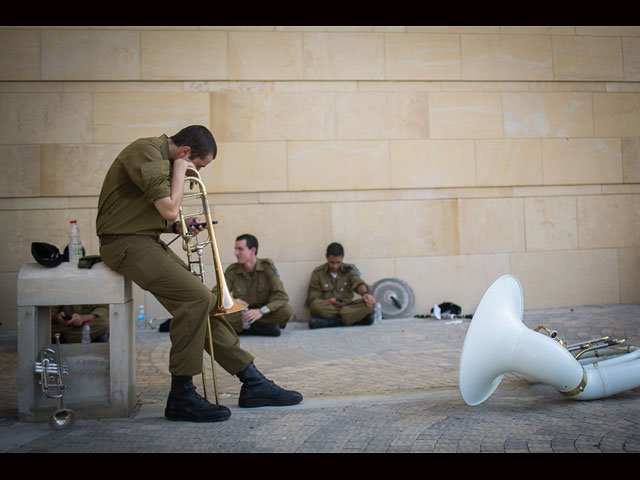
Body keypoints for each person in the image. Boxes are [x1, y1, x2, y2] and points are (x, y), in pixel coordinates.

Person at [96, 125, 302, 423]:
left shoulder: (158, 157)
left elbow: (153, 216)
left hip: (142, 240)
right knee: (196, 299)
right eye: (199, 166)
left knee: (204, 303)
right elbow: (168, 208)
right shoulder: (146, 152)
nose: (198, 173)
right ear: (185, 152)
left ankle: (252, 381)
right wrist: (180, 170)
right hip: (126, 244)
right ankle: (181, 395)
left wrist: (178, 227)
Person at [220, 234, 294, 337]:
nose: (235, 253)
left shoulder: (267, 267)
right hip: (242, 313)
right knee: (220, 316)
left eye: (240, 249)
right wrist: (231, 301)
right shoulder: (232, 270)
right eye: (235, 249)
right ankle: (263, 328)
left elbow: (281, 296)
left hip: (262, 312)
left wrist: (261, 311)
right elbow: (217, 294)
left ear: (253, 250)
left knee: (286, 310)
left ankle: (245, 328)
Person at [306, 242, 376, 329]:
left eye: (338, 262)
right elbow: (312, 299)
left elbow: (358, 283)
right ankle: (353, 319)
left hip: (348, 306)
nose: (335, 266)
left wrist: (366, 294)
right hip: (329, 307)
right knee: (315, 307)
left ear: (343, 257)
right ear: (326, 256)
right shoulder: (318, 273)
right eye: (332, 262)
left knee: (370, 306)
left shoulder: (350, 269)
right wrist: (328, 301)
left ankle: (332, 322)